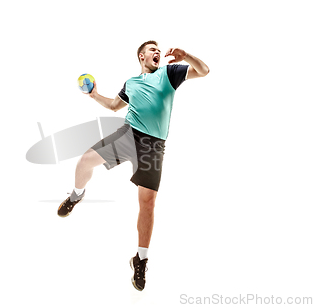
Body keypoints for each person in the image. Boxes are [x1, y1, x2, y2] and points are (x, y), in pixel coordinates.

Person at [58, 40, 210, 291]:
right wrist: (95, 94)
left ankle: (140, 259)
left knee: (147, 203)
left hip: (153, 146)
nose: (158, 53)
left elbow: (204, 71)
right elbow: (114, 106)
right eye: (152, 50)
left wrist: (187, 55)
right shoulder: (132, 83)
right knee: (85, 160)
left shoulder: (169, 73)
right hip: (129, 134)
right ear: (141, 56)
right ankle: (76, 195)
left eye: (159, 51)